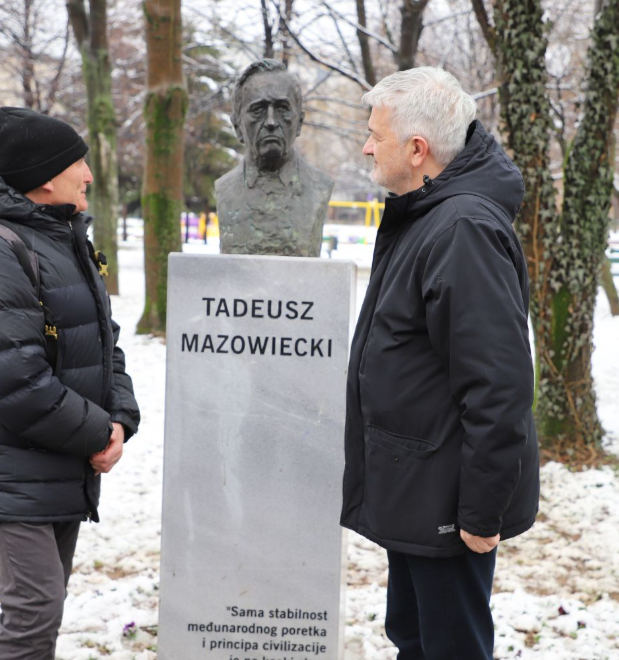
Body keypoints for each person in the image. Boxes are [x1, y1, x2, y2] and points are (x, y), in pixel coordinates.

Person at [340, 67, 540, 659]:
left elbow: (497, 390)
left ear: (418, 150)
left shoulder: (461, 230)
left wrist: (478, 514)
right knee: (416, 639)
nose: (367, 145)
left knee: (448, 647)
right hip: (419, 485)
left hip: (448, 501)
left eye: (376, 134)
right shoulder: (427, 214)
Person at [0, 107, 140, 660]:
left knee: (43, 617)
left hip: (57, 466)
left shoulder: (63, 239)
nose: (89, 174)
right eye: (79, 162)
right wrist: (98, 434)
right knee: (33, 615)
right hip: (7, 471)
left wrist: (120, 419)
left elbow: (105, 342)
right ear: (47, 178)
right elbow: (12, 380)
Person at [215, 58, 333, 257]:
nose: (270, 122)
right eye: (258, 110)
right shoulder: (224, 190)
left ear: (299, 123)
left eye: (282, 109)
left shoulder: (319, 187)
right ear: (237, 126)